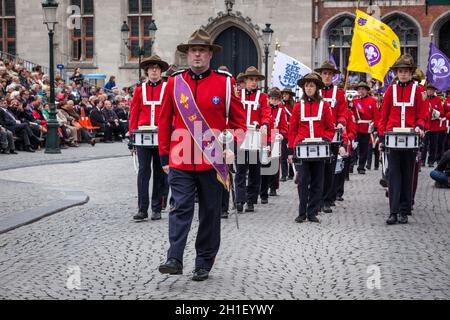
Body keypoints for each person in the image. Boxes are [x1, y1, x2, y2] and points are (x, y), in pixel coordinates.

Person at [157, 29, 246, 281]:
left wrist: (231, 144)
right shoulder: (174, 83)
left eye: (202, 50)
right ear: (187, 54)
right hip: (181, 160)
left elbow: (239, 123)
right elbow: (164, 122)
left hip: (213, 161)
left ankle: (203, 261)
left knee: (210, 213)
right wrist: (164, 157)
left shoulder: (225, 83)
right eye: (192, 50)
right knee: (180, 208)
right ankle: (174, 257)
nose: (197, 54)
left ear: (210, 54)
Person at [378, 54, 427, 225]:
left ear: (411, 73)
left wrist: (420, 126)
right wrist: (381, 136)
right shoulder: (390, 90)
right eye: (400, 71)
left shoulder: (420, 91)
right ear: (396, 73)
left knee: (408, 175)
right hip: (392, 138)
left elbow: (423, 115)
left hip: (411, 138)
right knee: (393, 175)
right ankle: (393, 211)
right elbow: (383, 116)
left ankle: (405, 210)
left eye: (406, 71)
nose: (403, 74)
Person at [288, 73, 335, 223]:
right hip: (301, 148)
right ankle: (302, 212)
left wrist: (326, 139)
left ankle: (312, 212)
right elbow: (293, 130)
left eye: (312, 85)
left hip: (319, 148)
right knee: (303, 180)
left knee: (317, 181)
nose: (309, 88)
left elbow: (330, 127)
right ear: (303, 88)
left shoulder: (325, 105)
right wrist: (290, 150)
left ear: (317, 88)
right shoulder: (297, 107)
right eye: (307, 85)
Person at [128, 55, 170, 221]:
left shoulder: (167, 88)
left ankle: (157, 208)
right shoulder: (139, 90)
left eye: (157, 68)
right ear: (146, 71)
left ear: (160, 71)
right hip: (142, 136)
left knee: (160, 173)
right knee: (143, 173)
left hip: (162, 136)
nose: (154, 70)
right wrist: (131, 135)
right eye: (151, 68)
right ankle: (142, 209)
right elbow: (134, 114)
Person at [235, 66, 271, 213]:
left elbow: (266, 113)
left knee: (255, 170)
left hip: (255, 136)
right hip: (242, 136)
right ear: (245, 80)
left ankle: (250, 200)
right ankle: (239, 200)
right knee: (241, 170)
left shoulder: (263, 97)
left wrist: (264, 124)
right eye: (251, 79)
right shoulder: (238, 95)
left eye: (256, 80)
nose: (254, 82)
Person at [315, 61, 348, 214]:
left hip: (333, 136)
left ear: (333, 76)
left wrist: (341, 122)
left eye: (330, 74)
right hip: (316, 136)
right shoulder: (315, 92)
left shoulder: (339, 93)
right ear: (320, 75)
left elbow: (343, 112)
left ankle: (327, 200)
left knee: (330, 170)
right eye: (324, 73)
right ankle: (316, 198)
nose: (327, 76)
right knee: (317, 169)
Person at [260, 87, 288, 203]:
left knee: (275, 164)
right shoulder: (265, 108)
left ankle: (273, 187)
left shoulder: (282, 111)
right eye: (272, 99)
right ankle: (263, 189)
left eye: (276, 99)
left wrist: (281, 134)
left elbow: (284, 127)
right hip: (264, 138)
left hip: (275, 137)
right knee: (263, 164)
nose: (274, 101)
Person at [352, 81, 380, 174]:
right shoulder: (354, 101)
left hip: (367, 128)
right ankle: (351, 165)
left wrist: (376, 128)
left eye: (363, 89)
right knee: (353, 148)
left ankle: (361, 167)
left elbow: (376, 115)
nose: (361, 91)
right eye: (359, 89)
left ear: (367, 91)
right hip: (355, 127)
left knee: (364, 149)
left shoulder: (373, 101)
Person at [426, 83, 446, 167]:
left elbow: (441, 113)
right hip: (425, 126)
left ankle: (431, 161)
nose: (430, 91)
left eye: (431, 90)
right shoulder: (423, 99)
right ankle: (422, 161)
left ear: (434, 91)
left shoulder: (437, 100)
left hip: (435, 126)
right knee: (424, 145)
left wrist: (433, 111)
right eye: (428, 89)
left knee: (434, 145)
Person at [281, 88, 296, 181]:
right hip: (284, 133)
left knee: (292, 154)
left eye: (286, 94)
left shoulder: (294, 106)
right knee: (283, 155)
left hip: (292, 133)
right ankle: (284, 175)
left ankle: (291, 173)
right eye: (283, 94)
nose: (284, 96)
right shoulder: (281, 106)